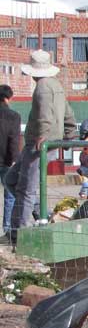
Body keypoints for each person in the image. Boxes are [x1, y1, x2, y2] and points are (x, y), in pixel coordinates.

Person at [8, 50, 76, 243]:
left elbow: (44, 114)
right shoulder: (57, 85)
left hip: (39, 144)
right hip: (47, 143)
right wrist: (70, 134)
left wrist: (43, 135)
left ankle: (20, 233)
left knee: (26, 189)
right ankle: (38, 213)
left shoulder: (43, 87)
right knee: (11, 179)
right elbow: (68, 113)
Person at [0, 86, 21, 239]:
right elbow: (13, 140)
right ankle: (8, 229)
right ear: (8, 98)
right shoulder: (13, 116)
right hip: (6, 161)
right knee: (10, 195)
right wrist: (13, 160)